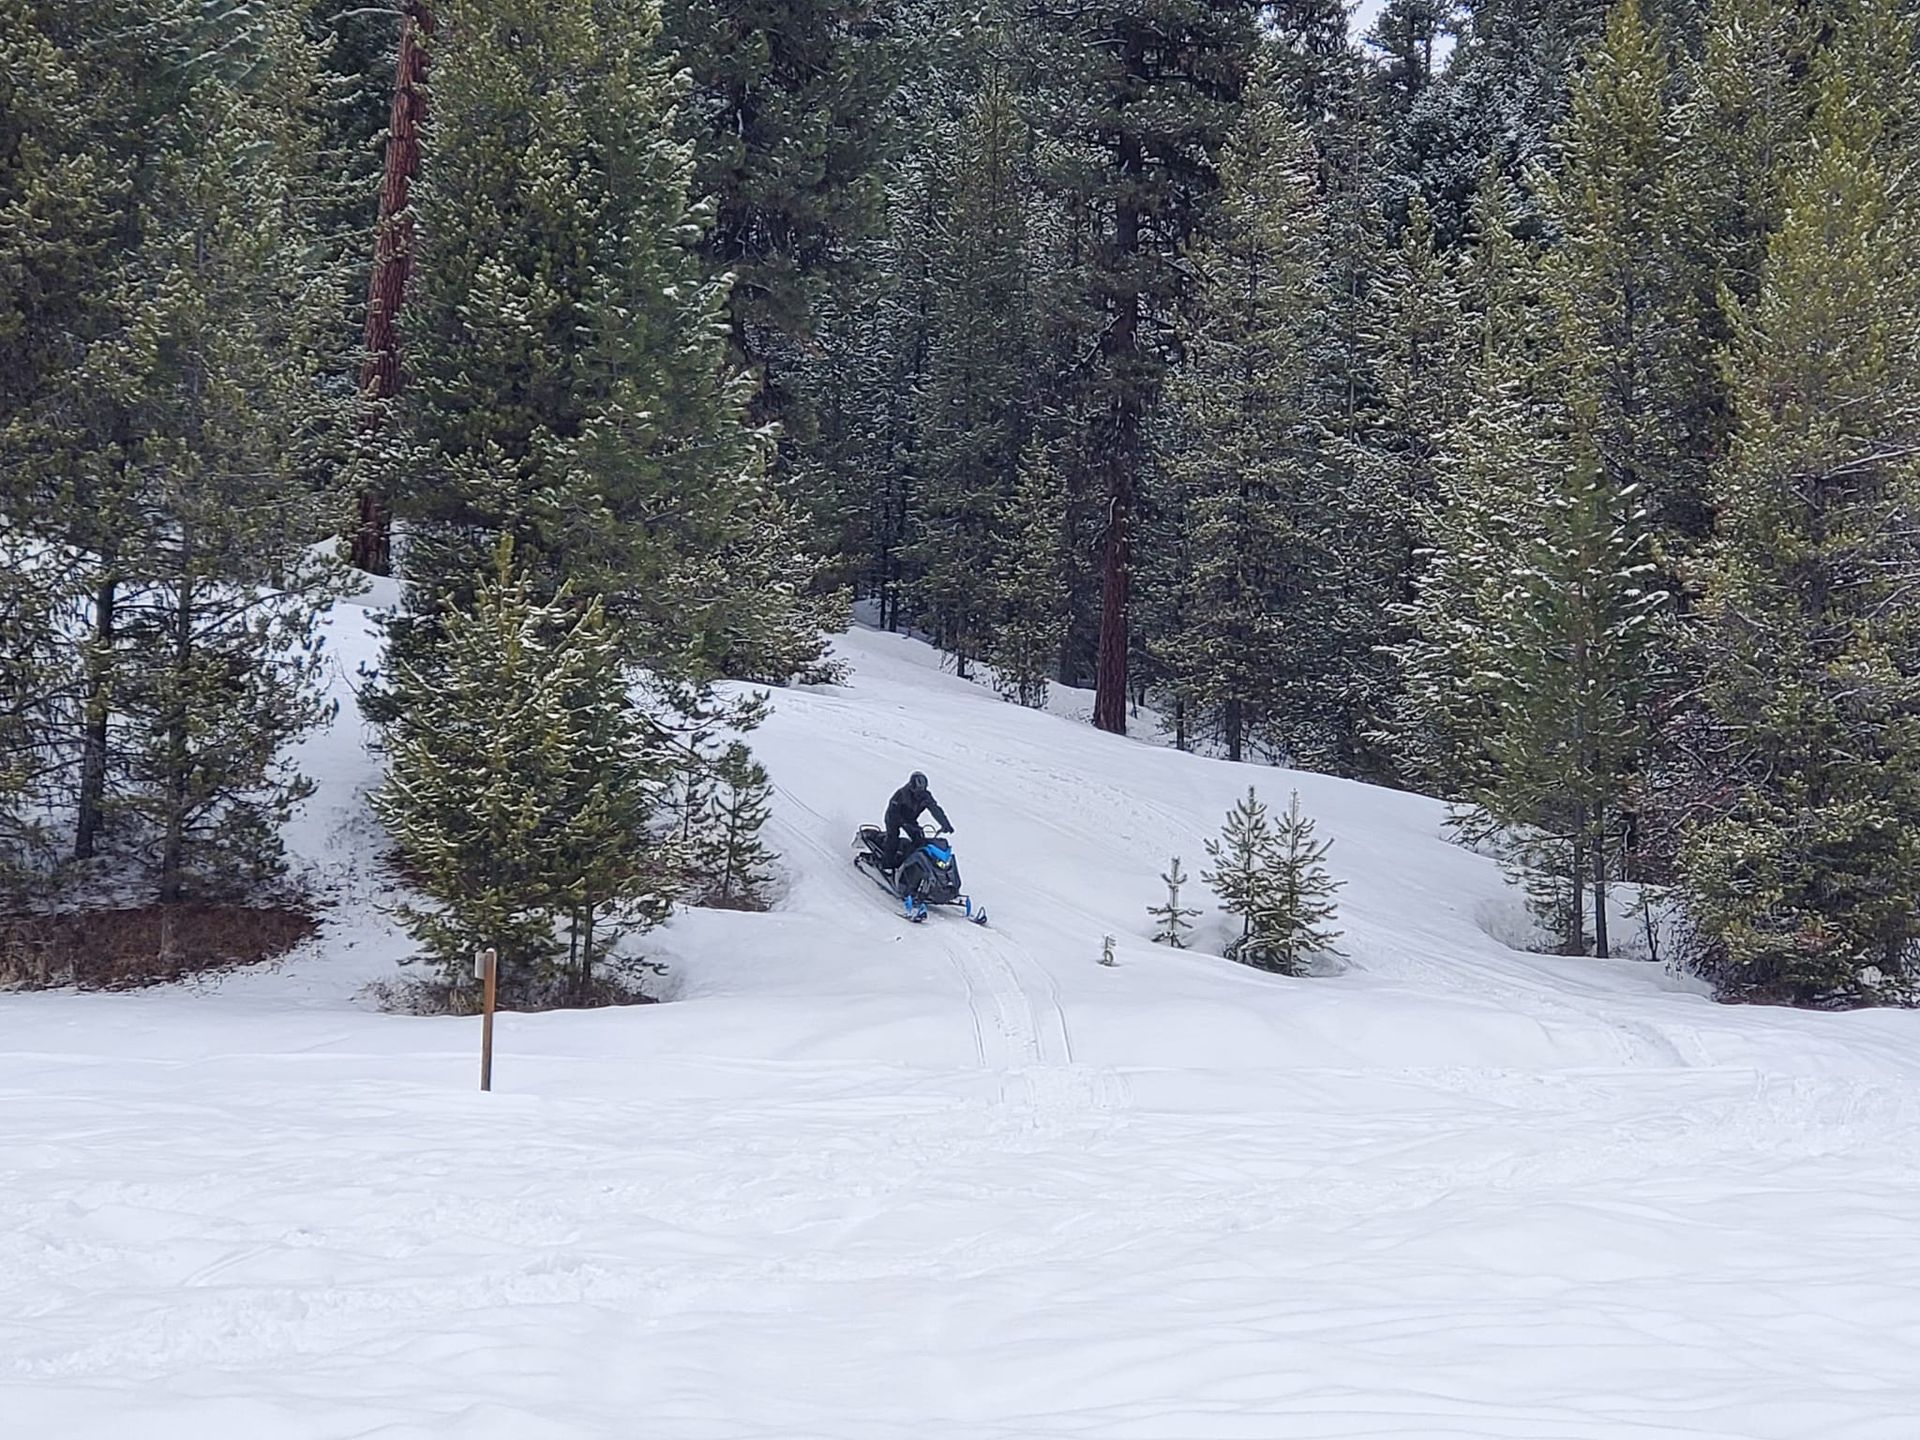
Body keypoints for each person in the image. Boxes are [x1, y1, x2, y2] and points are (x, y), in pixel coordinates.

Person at [883, 771, 951, 869]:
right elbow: (893, 811)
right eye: (917, 789)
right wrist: (902, 822)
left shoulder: (925, 797)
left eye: (921, 790)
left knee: (920, 840)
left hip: (910, 820)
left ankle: (910, 865)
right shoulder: (901, 794)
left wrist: (945, 824)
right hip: (893, 818)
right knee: (893, 840)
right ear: (911, 786)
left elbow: (935, 810)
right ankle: (887, 866)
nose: (918, 793)